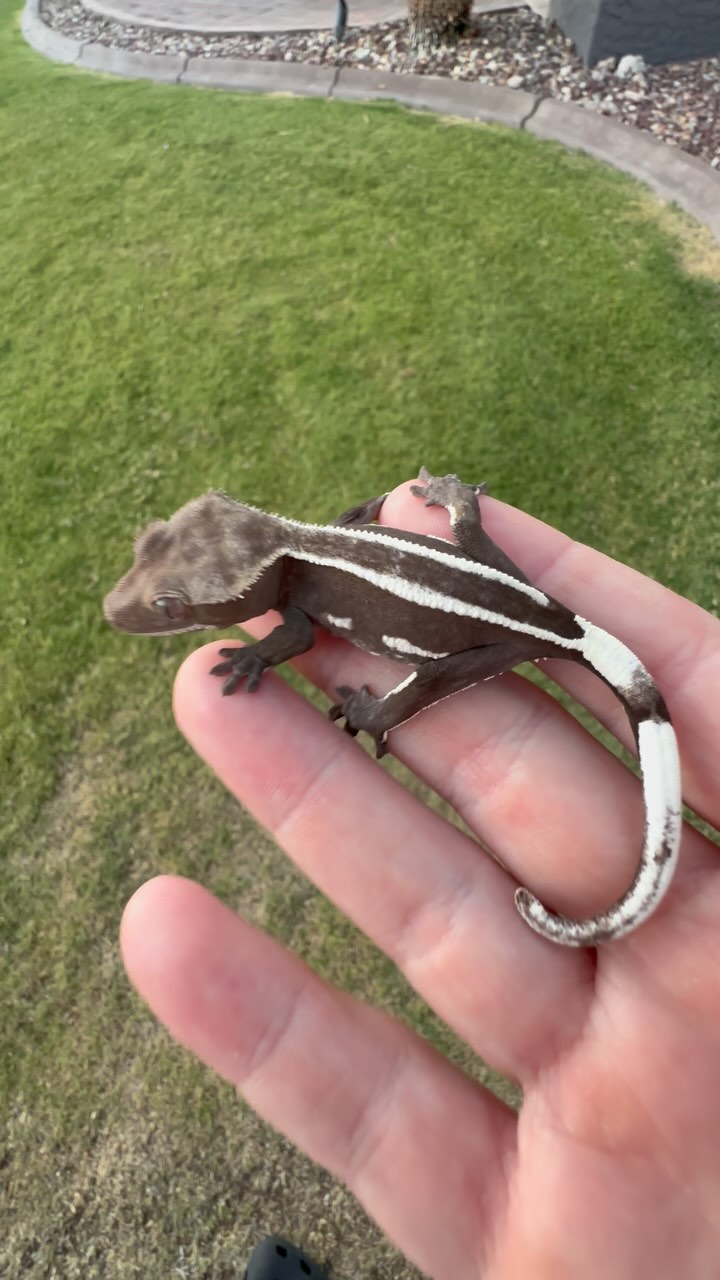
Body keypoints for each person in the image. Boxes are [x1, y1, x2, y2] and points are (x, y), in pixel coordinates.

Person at [120, 478, 720, 1278]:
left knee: (435, 674)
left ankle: (398, 713)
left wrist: (367, 706)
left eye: (174, 607)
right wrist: (458, 515)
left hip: (495, 634)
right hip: (503, 591)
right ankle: (459, 539)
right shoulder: (318, 543)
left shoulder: (295, 593)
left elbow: (294, 633)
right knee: (509, 616)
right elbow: (332, 559)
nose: (153, 608)